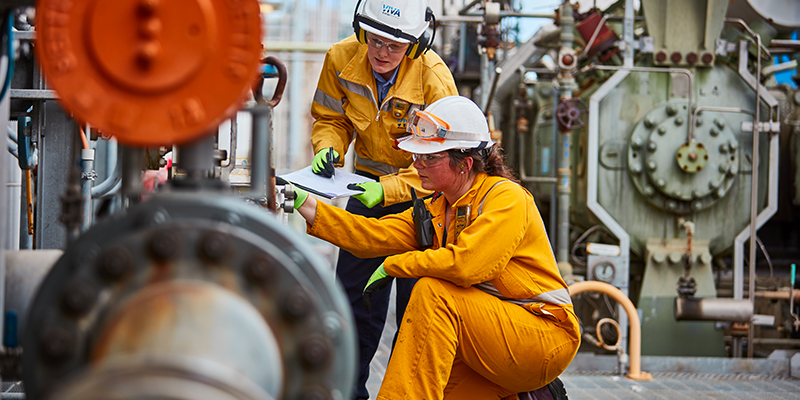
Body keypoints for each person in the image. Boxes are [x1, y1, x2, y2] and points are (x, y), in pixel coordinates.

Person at [294, 95, 580, 399]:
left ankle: (527, 384)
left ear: (464, 163)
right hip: (490, 336)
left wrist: (395, 266)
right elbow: (371, 234)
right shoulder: (439, 208)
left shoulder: (506, 199)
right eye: (418, 155)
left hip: (542, 336)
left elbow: (468, 264)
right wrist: (303, 202)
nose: (417, 164)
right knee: (441, 387)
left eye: (430, 157)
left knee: (433, 293)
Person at [309, 0, 458, 397]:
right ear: (362, 31)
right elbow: (330, 118)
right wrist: (329, 146)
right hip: (364, 188)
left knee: (417, 311)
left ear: (414, 44)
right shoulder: (340, 59)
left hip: (424, 201)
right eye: (375, 40)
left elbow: (444, 159)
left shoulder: (434, 78)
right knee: (354, 303)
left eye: (394, 46)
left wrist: (389, 190)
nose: (381, 52)